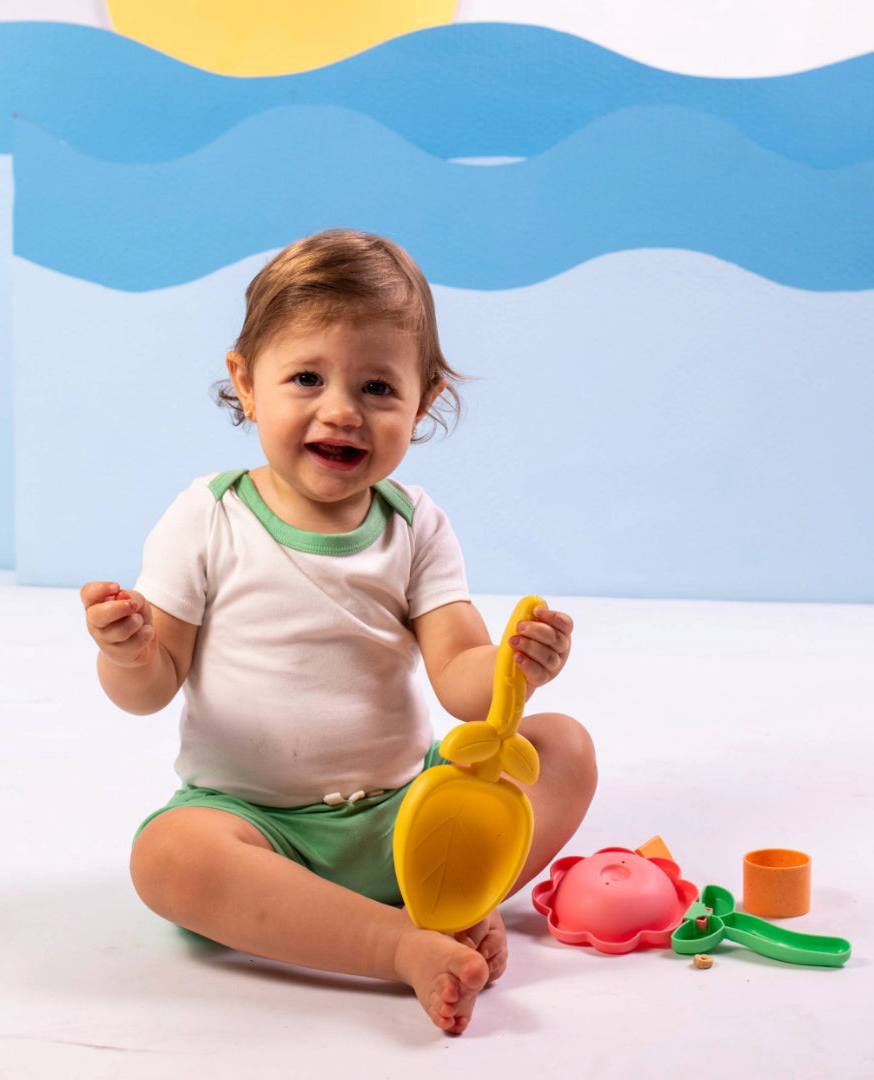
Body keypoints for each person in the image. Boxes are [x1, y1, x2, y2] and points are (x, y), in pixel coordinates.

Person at [81, 229, 596, 1035]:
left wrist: (510, 670)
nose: (341, 410)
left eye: (378, 388)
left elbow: (460, 674)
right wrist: (131, 652)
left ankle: (458, 898)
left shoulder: (415, 526)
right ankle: (401, 941)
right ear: (246, 385)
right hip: (260, 825)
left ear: (423, 402)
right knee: (169, 856)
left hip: (409, 813)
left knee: (563, 746)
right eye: (307, 378)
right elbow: (148, 692)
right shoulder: (207, 518)